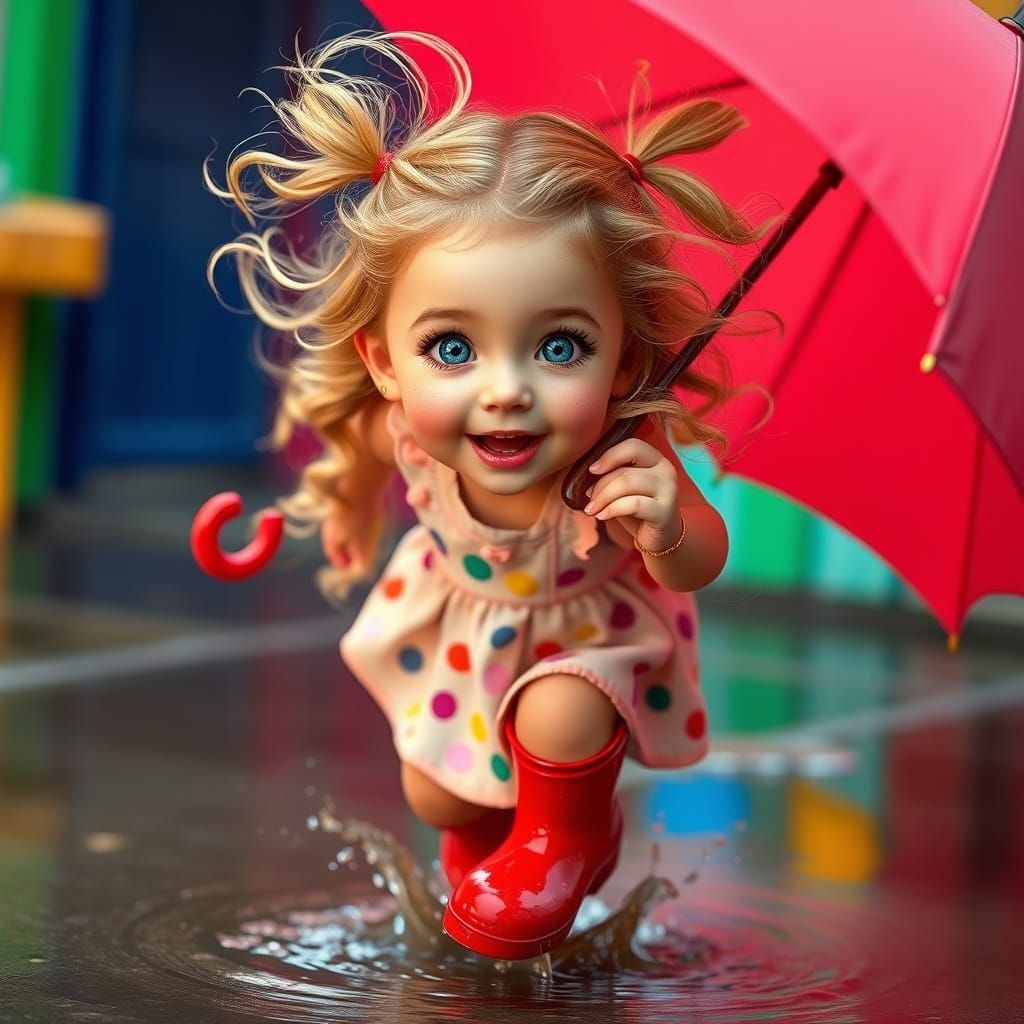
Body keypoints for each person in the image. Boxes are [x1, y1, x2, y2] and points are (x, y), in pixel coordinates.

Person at [206, 29, 779, 960]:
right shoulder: (402, 429)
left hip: (587, 635)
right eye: (452, 348)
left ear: (623, 356)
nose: (504, 388)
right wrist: (332, 511)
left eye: (559, 347)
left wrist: (668, 524)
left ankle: (571, 836)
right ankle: (497, 869)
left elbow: (701, 557)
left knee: (558, 708)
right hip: (462, 627)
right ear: (385, 361)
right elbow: (351, 460)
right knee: (440, 792)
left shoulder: (626, 442)